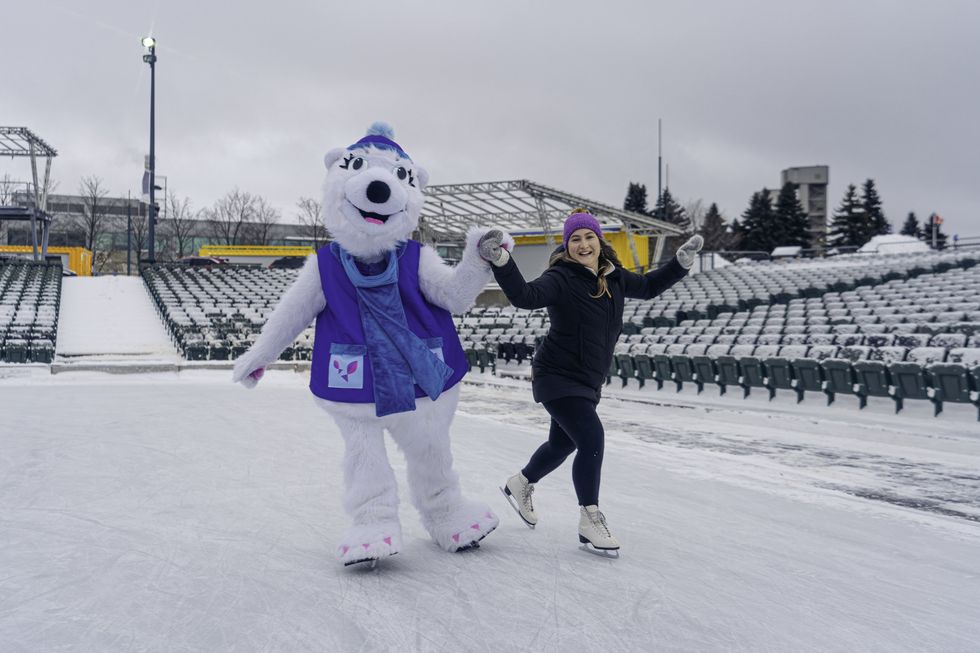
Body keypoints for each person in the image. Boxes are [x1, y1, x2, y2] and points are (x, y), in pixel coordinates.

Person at [477, 210, 703, 555]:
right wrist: (502, 260)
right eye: (575, 239)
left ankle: (520, 483)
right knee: (591, 438)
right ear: (568, 246)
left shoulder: (615, 277)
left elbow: (651, 286)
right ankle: (589, 519)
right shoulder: (560, 278)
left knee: (563, 444)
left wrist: (681, 263)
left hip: (587, 380)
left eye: (589, 237)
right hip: (556, 375)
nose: (583, 244)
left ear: (600, 241)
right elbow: (524, 296)